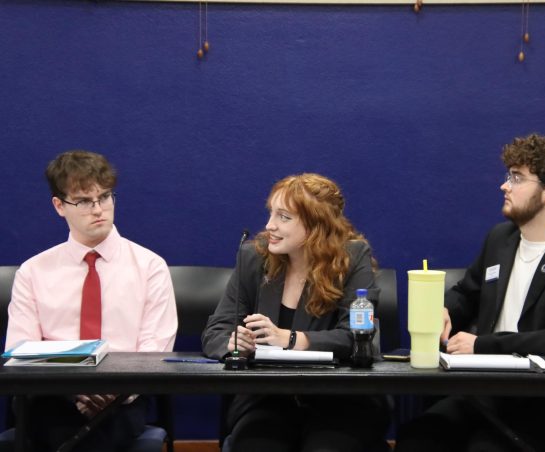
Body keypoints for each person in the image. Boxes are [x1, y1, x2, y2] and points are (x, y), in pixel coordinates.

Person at [396, 134, 545, 451]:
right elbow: (467, 292)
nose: (505, 186)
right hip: (484, 390)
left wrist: (484, 345)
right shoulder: (500, 239)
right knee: (417, 438)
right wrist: (444, 310)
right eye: (509, 176)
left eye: (517, 178)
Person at [202, 173, 391, 452]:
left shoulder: (352, 257)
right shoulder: (254, 257)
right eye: (271, 214)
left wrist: (291, 340)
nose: (269, 226)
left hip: (341, 400)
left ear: (316, 224)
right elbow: (216, 331)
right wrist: (233, 343)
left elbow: (355, 337)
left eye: (284, 217)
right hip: (267, 399)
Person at [5, 150, 178, 452]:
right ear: (59, 206)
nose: (98, 209)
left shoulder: (150, 266)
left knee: (96, 433)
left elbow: (154, 351)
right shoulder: (33, 271)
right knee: (61, 427)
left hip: (124, 398)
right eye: (84, 201)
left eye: (105, 197)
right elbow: (20, 351)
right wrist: (74, 390)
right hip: (52, 398)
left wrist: (112, 389)